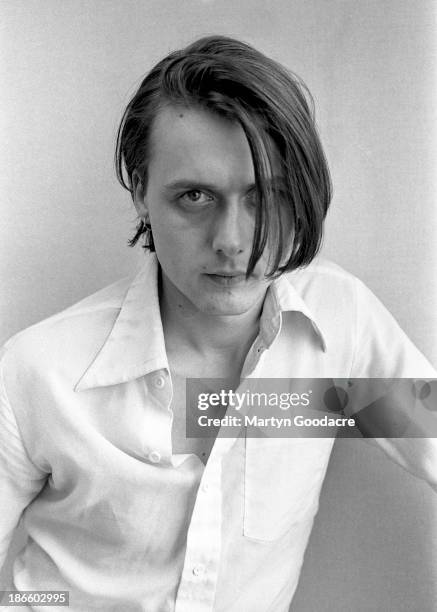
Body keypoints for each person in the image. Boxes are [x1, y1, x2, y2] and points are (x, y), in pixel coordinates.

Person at [0, 35, 435, 611]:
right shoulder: (39, 372)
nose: (233, 242)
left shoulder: (340, 323)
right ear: (141, 194)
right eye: (196, 196)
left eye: (267, 196)